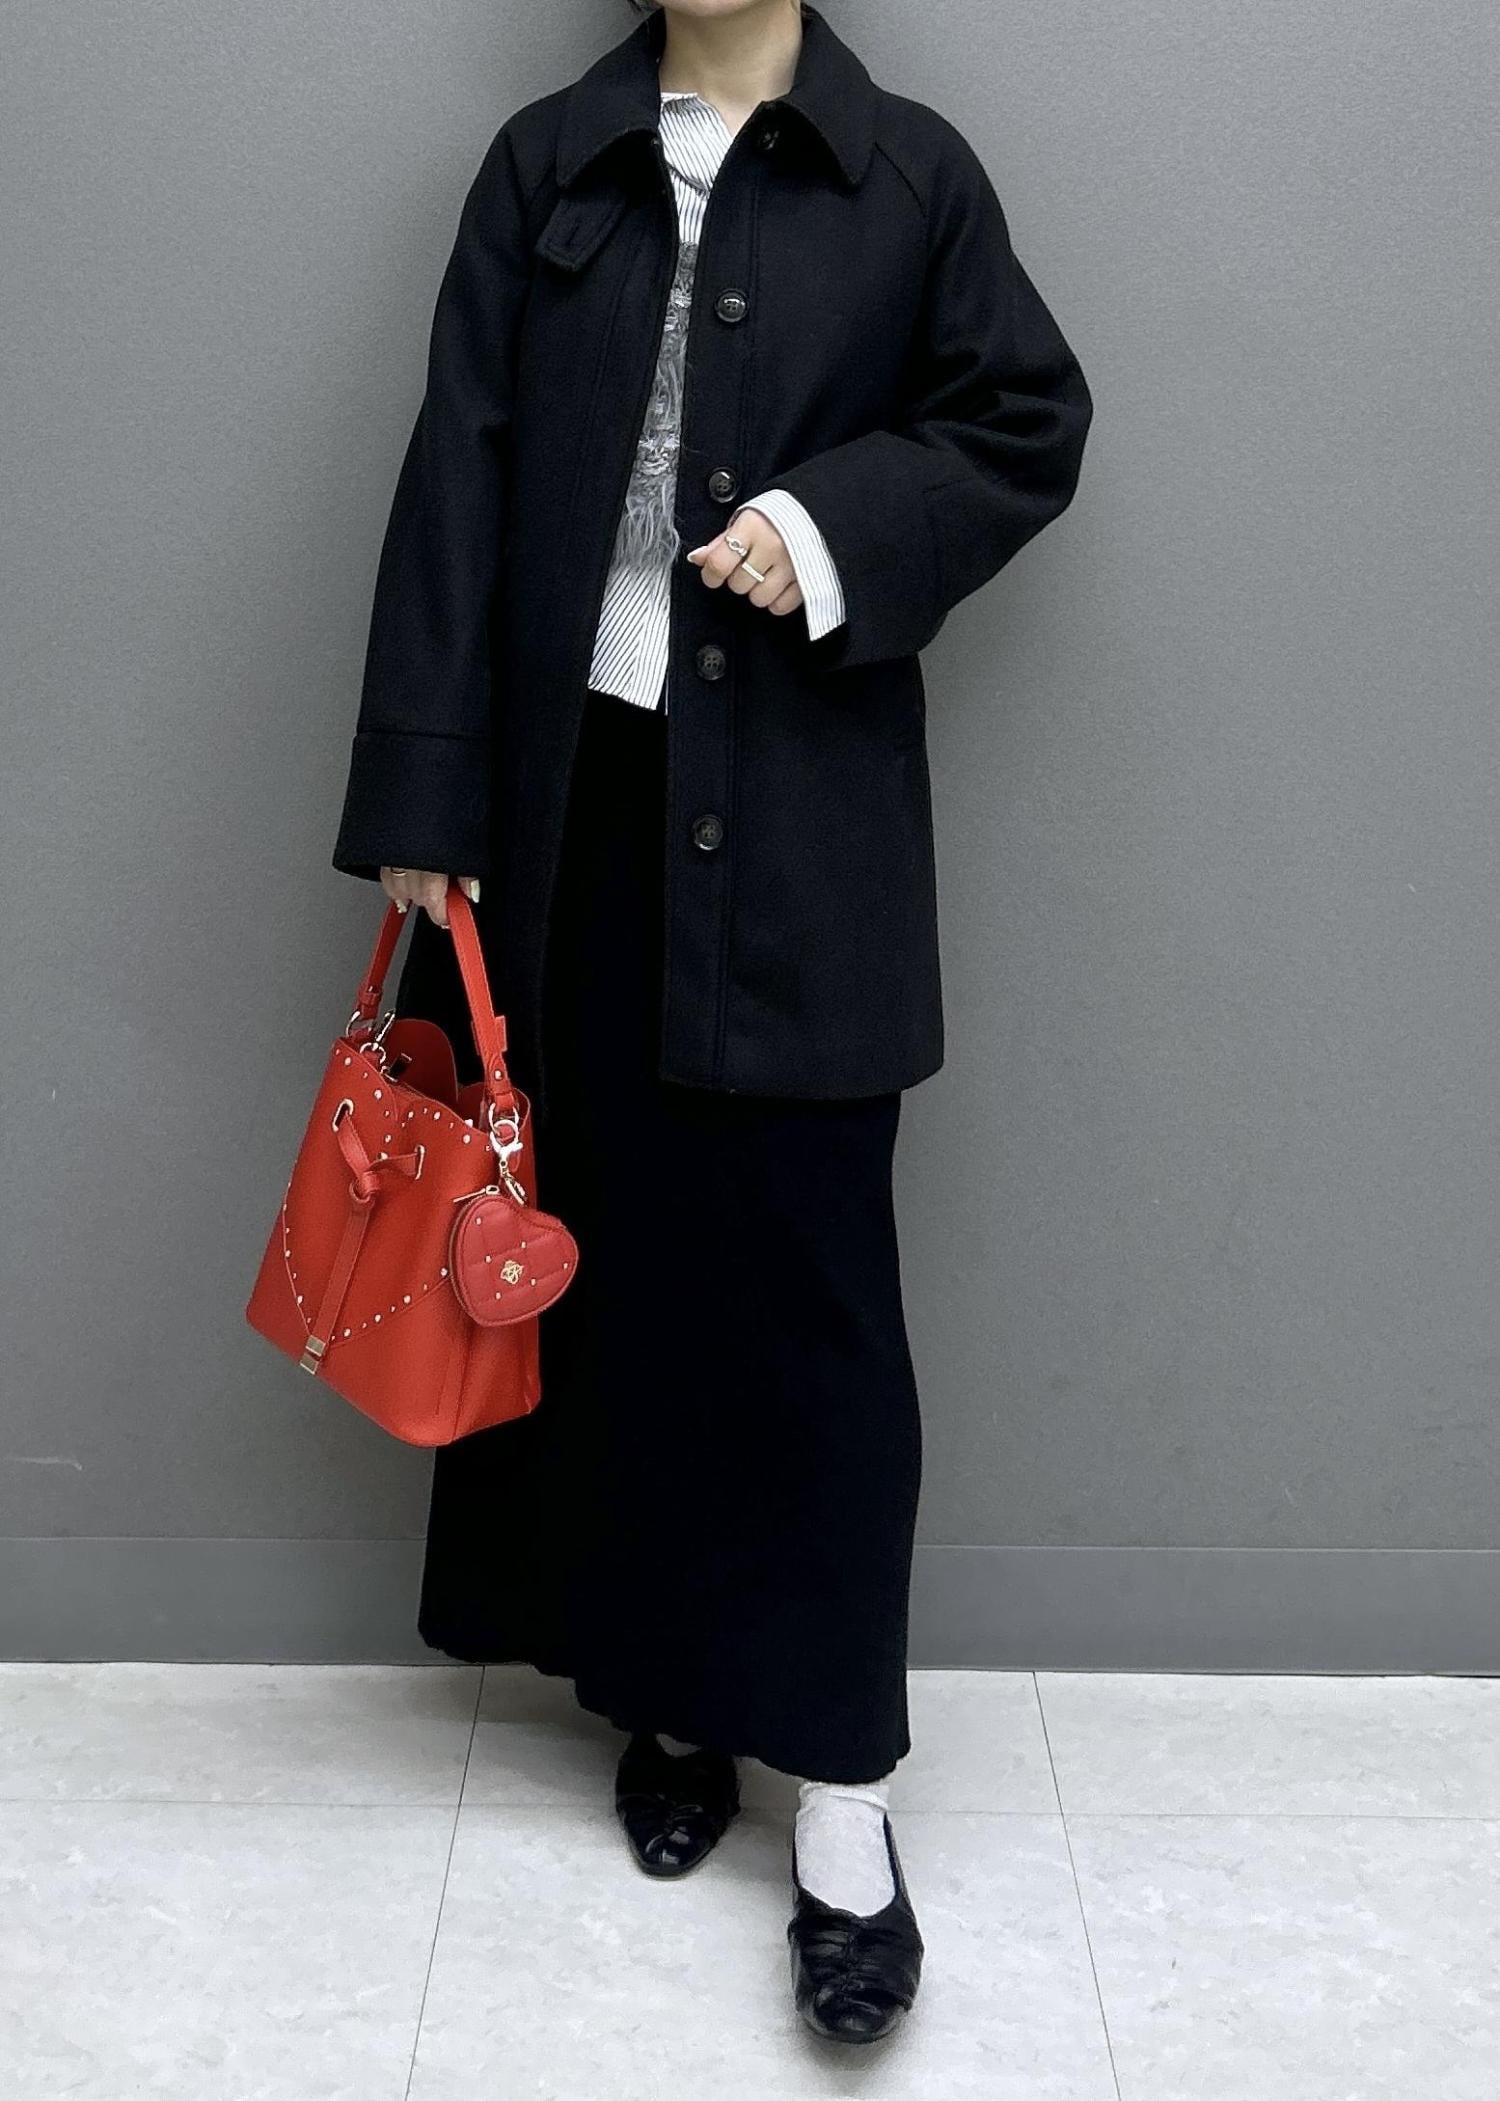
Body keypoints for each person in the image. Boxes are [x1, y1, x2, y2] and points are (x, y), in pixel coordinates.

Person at [330, 0, 1091, 2045]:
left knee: (811, 1303)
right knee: (615, 1282)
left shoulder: (906, 174)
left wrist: (831, 525)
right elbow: (459, 475)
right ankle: (664, 1700)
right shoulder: (548, 165)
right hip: (571, 817)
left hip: (806, 834)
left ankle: (839, 1801)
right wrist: (424, 800)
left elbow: (1024, 419)